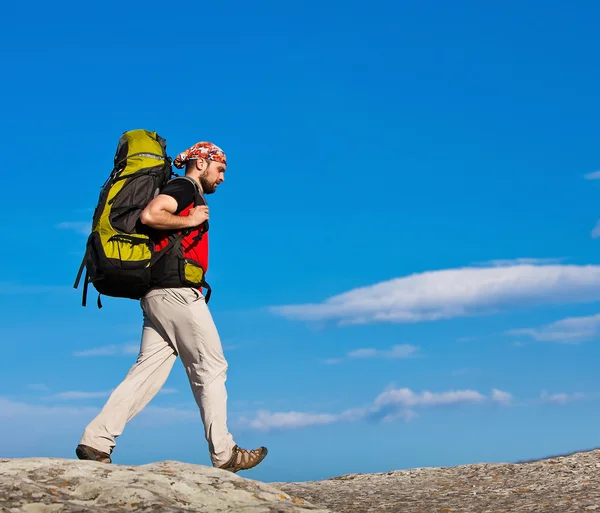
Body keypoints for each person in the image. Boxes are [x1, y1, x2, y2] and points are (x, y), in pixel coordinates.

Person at [75, 141, 268, 473]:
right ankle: (224, 453)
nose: (222, 177)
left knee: (146, 373)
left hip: (157, 296)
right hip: (177, 293)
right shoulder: (183, 187)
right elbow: (152, 215)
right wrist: (190, 218)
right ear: (201, 162)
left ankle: (96, 441)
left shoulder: (181, 188)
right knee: (212, 367)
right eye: (220, 169)